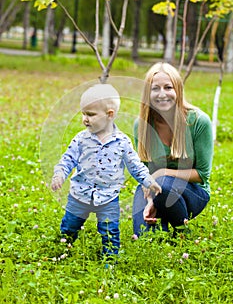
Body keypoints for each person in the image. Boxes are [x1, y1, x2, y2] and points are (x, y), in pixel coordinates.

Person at [51, 84, 161, 258]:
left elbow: (135, 165)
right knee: (70, 226)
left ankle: (110, 259)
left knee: (110, 231)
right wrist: (60, 174)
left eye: (91, 114)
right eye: (83, 113)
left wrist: (148, 180)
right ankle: (64, 249)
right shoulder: (81, 139)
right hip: (80, 193)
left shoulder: (122, 142)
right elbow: (68, 159)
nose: (85, 119)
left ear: (110, 115)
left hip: (108, 197)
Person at [132, 62, 213, 238]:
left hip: (193, 191)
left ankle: (181, 233)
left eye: (168, 87)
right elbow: (146, 172)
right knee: (144, 237)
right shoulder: (142, 125)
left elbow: (202, 174)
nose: (162, 94)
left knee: (164, 184)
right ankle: (163, 224)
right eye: (155, 88)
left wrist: (161, 172)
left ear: (178, 90)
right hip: (156, 187)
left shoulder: (199, 122)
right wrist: (150, 201)